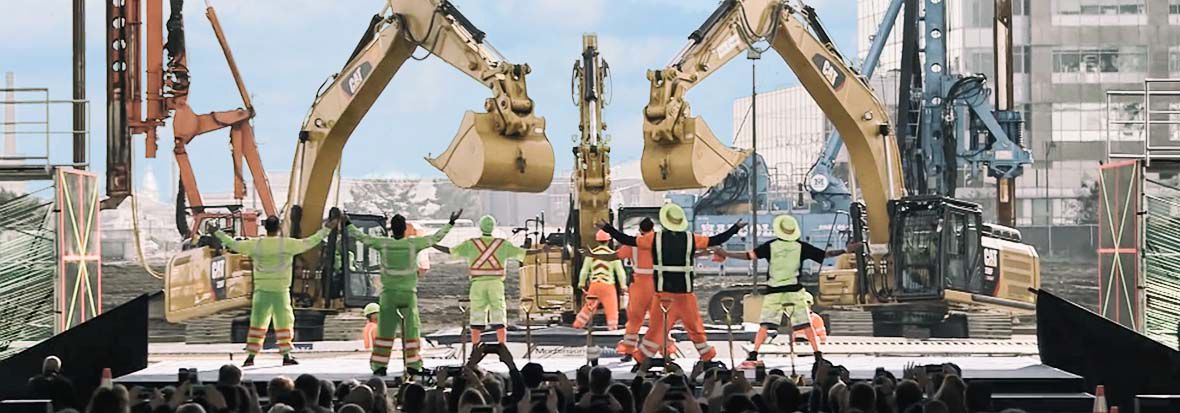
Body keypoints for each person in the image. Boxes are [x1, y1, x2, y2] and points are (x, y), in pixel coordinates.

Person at [599, 203, 743, 363]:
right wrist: (735, 228)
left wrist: (607, 228)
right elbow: (716, 239)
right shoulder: (691, 238)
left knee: (655, 330)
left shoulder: (655, 239)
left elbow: (627, 240)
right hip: (685, 295)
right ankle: (706, 356)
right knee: (695, 328)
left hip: (664, 295)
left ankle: (642, 358)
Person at [712, 214, 858, 367]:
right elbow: (824, 254)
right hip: (794, 291)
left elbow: (749, 255)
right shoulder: (800, 246)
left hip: (774, 291)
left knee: (765, 324)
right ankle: (818, 355)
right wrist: (845, 250)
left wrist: (726, 254)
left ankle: (754, 354)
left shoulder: (771, 246)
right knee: (806, 324)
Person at [348, 210, 459, 375]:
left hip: (388, 295)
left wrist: (348, 224)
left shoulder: (383, 244)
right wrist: (450, 223)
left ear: (391, 229)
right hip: (408, 295)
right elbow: (435, 238)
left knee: (385, 331)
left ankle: (380, 366)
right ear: (405, 230)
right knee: (412, 330)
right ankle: (413, 365)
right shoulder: (413, 244)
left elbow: (362, 237)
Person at [213, 215, 334, 366]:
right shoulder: (287, 244)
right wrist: (327, 228)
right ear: (279, 228)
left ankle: (251, 356)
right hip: (281, 291)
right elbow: (310, 241)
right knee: (284, 323)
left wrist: (217, 232)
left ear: (265, 227)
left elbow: (233, 245)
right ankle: (286, 355)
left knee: (257, 324)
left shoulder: (256, 245)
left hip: (261, 292)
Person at [434, 215, 526, 346]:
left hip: (477, 284)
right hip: (496, 284)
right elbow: (523, 253)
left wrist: (432, 244)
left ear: (480, 227)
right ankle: (502, 345)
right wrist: (543, 249)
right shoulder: (502, 244)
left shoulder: (471, 243)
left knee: (477, 314)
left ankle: (475, 346)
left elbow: (450, 251)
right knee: (499, 312)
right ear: (494, 227)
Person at [573, 230, 628, 330]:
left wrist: (581, 283)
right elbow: (620, 272)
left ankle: (577, 325)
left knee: (588, 308)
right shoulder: (613, 255)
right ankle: (612, 329)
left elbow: (584, 270)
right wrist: (623, 285)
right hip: (608, 287)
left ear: (597, 241)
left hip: (594, 285)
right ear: (608, 241)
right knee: (612, 309)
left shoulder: (591, 255)